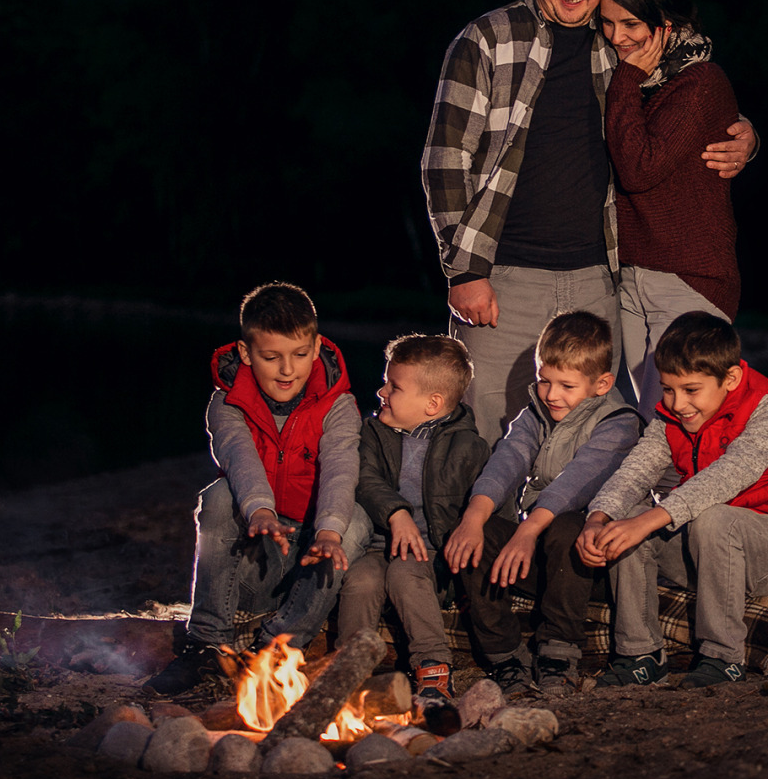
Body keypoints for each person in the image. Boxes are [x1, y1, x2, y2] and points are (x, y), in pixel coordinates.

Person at [421, 0, 757, 445]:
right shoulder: (487, 39)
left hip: (598, 279)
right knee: (485, 428)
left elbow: (687, 93)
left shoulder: (618, 40)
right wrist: (464, 272)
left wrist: (744, 131)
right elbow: (444, 161)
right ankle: (475, 532)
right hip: (503, 277)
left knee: (588, 440)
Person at [145, 282, 371, 696]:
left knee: (354, 521)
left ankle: (276, 649)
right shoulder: (227, 402)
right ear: (247, 353)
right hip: (257, 548)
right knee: (217, 496)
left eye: (300, 355)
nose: (288, 370)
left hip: (310, 553)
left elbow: (342, 468)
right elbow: (239, 458)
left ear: (318, 346)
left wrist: (328, 532)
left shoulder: (338, 405)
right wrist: (260, 511)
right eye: (272, 357)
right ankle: (207, 641)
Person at [576, 311, 768, 688]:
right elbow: (636, 470)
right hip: (707, 547)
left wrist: (650, 520)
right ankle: (640, 653)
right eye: (668, 389)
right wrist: (600, 517)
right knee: (629, 520)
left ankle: (722, 658)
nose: (677, 403)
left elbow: (727, 477)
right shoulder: (672, 417)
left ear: (732, 378)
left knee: (710, 518)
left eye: (691, 390)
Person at [444, 310, 640, 696]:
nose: (552, 394)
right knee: (477, 533)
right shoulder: (535, 414)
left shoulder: (618, 422)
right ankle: (503, 655)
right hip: (537, 548)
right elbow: (506, 462)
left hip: (589, 563)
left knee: (567, 525)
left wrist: (528, 531)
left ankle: (558, 651)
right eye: (544, 381)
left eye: (566, 385)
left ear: (601, 384)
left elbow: (577, 482)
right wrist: (472, 517)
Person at [601, 0, 741, 414]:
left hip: (688, 279)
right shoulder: (634, 81)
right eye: (607, 23)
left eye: (630, 24)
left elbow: (640, 167)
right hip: (633, 274)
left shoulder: (699, 82)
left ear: (666, 24)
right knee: (644, 428)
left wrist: (626, 78)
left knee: (677, 424)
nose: (616, 37)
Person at [337, 334, 488, 705]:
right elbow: (365, 479)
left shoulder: (469, 447)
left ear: (432, 403)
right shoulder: (372, 432)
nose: (381, 391)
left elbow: (479, 508)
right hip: (378, 544)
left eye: (394, 386)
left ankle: (433, 668)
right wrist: (396, 512)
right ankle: (347, 672)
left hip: (430, 554)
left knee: (405, 573)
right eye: (387, 381)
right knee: (361, 580)